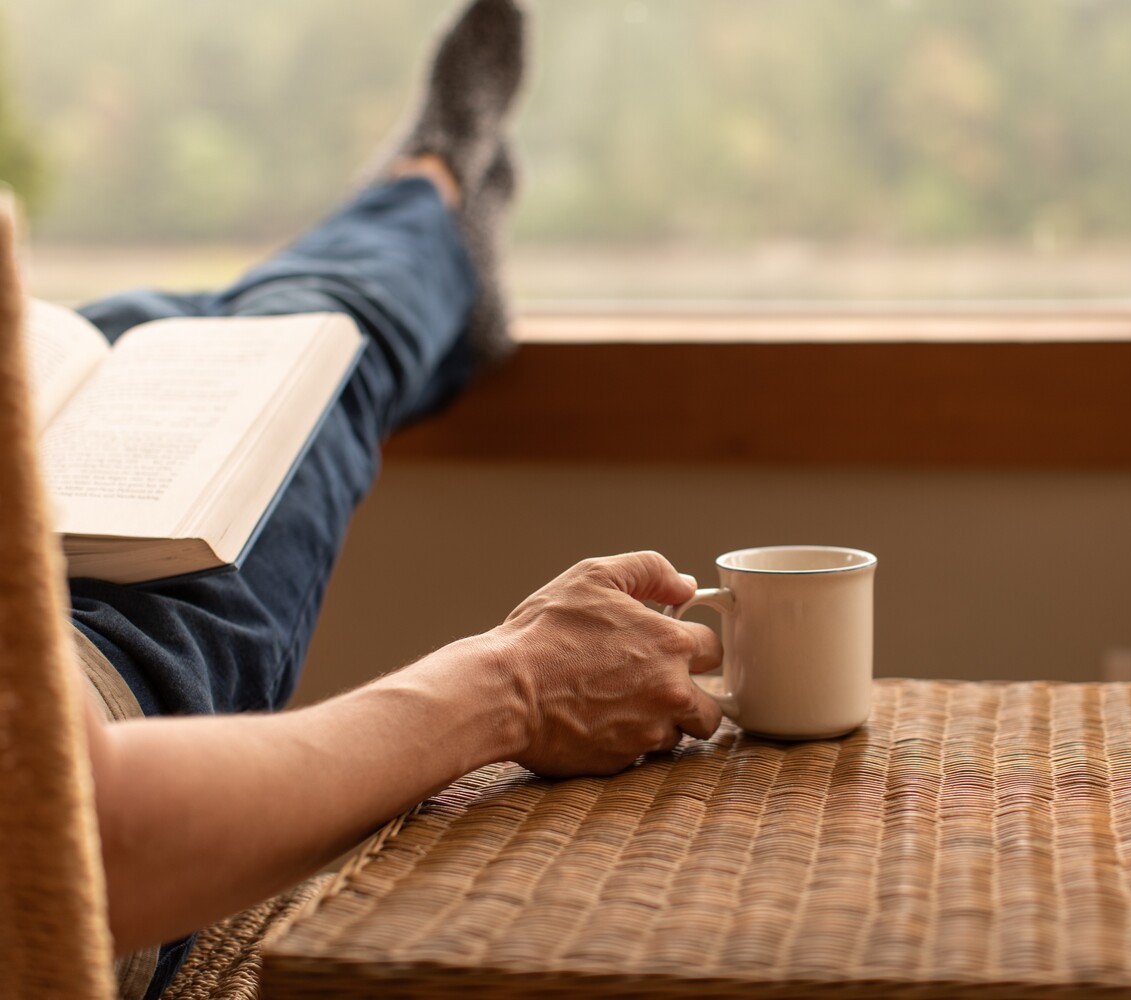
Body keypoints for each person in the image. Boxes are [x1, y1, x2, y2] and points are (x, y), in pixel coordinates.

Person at [58, 2, 725, 996]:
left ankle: (418, 206)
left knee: (123, 332)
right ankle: (429, 191)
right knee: (307, 340)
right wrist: (515, 684)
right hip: (89, 680)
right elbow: (82, 839)